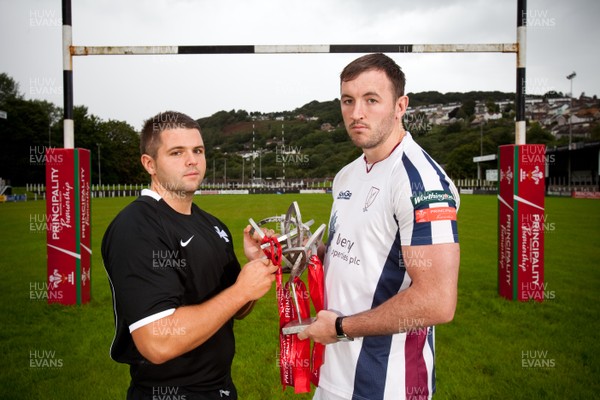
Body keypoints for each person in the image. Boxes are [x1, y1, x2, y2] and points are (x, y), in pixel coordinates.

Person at [298, 53, 460, 400]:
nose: (356, 113)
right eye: (348, 100)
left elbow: (437, 301)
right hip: (333, 372)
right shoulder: (347, 173)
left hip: (387, 384)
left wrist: (341, 328)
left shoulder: (421, 183)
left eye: (371, 100)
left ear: (401, 105)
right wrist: (295, 251)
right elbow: (351, 256)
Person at [101, 111, 278, 400]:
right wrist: (240, 292)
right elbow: (157, 343)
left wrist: (254, 269)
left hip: (220, 389)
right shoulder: (137, 227)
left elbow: (237, 307)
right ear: (150, 164)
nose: (192, 160)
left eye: (198, 150)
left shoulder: (212, 225)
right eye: (176, 152)